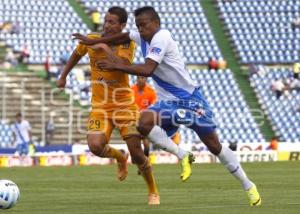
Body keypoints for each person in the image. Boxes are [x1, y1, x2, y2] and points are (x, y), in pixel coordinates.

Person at [73, 6, 262, 206]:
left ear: (156, 23)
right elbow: (123, 36)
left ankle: (248, 185)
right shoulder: (142, 36)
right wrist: (94, 41)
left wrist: (116, 64)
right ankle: (183, 155)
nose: (141, 30)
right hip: (168, 102)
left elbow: (147, 69)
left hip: (190, 100)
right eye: (138, 26)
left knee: (214, 146)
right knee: (143, 122)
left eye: (144, 25)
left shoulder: (162, 37)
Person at [57, 7, 160, 205]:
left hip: (124, 106)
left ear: (122, 26)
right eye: (106, 21)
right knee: (95, 146)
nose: (107, 25)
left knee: (138, 154)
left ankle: (153, 191)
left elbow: (121, 64)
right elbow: (76, 54)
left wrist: (103, 48)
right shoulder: (91, 38)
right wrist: (63, 76)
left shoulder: (127, 43)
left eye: (112, 22)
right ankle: (120, 157)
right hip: (100, 107)